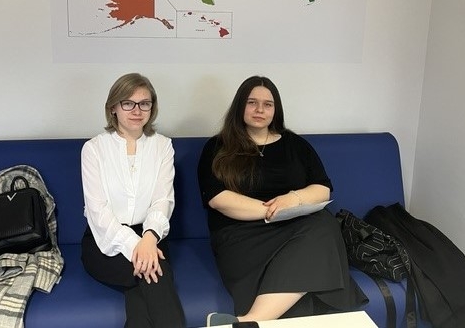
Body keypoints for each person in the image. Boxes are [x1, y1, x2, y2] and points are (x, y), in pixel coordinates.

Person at [197, 76, 366, 326]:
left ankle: (247, 321)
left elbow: (322, 189)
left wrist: (291, 199)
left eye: (268, 104)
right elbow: (218, 199)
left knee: (324, 224)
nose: (260, 110)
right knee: (316, 249)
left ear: (276, 110)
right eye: (252, 102)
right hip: (240, 235)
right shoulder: (217, 147)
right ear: (240, 105)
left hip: (293, 227)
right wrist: (270, 210)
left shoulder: (296, 145)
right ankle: (251, 320)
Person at [80, 73, 186, 328]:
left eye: (144, 103)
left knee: (146, 286)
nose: (137, 110)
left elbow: (162, 200)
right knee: (156, 273)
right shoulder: (94, 149)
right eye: (128, 103)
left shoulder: (162, 146)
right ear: (113, 107)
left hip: (151, 236)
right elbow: (98, 211)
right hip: (104, 240)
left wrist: (148, 239)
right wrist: (137, 247)